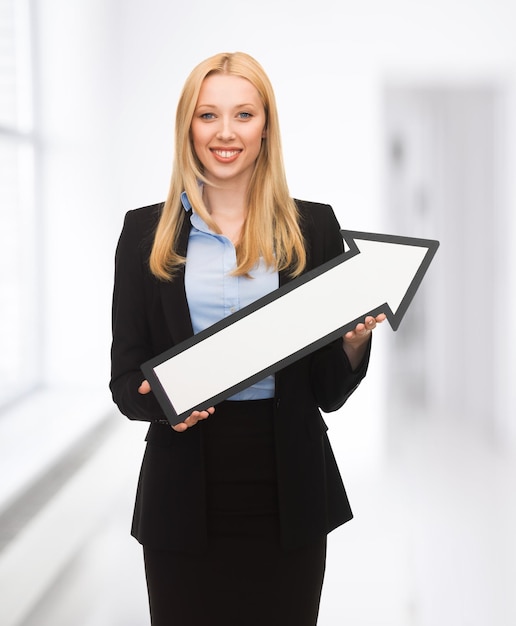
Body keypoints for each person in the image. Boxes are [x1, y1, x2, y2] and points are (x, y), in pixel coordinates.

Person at [110, 51, 385, 626]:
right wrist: (162, 404)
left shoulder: (313, 227)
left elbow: (328, 391)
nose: (226, 133)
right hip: (183, 490)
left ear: (266, 126)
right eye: (208, 115)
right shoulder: (144, 232)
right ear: (189, 127)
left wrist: (354, 344)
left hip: (289, 486)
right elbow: (124, 376)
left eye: (243, 114)